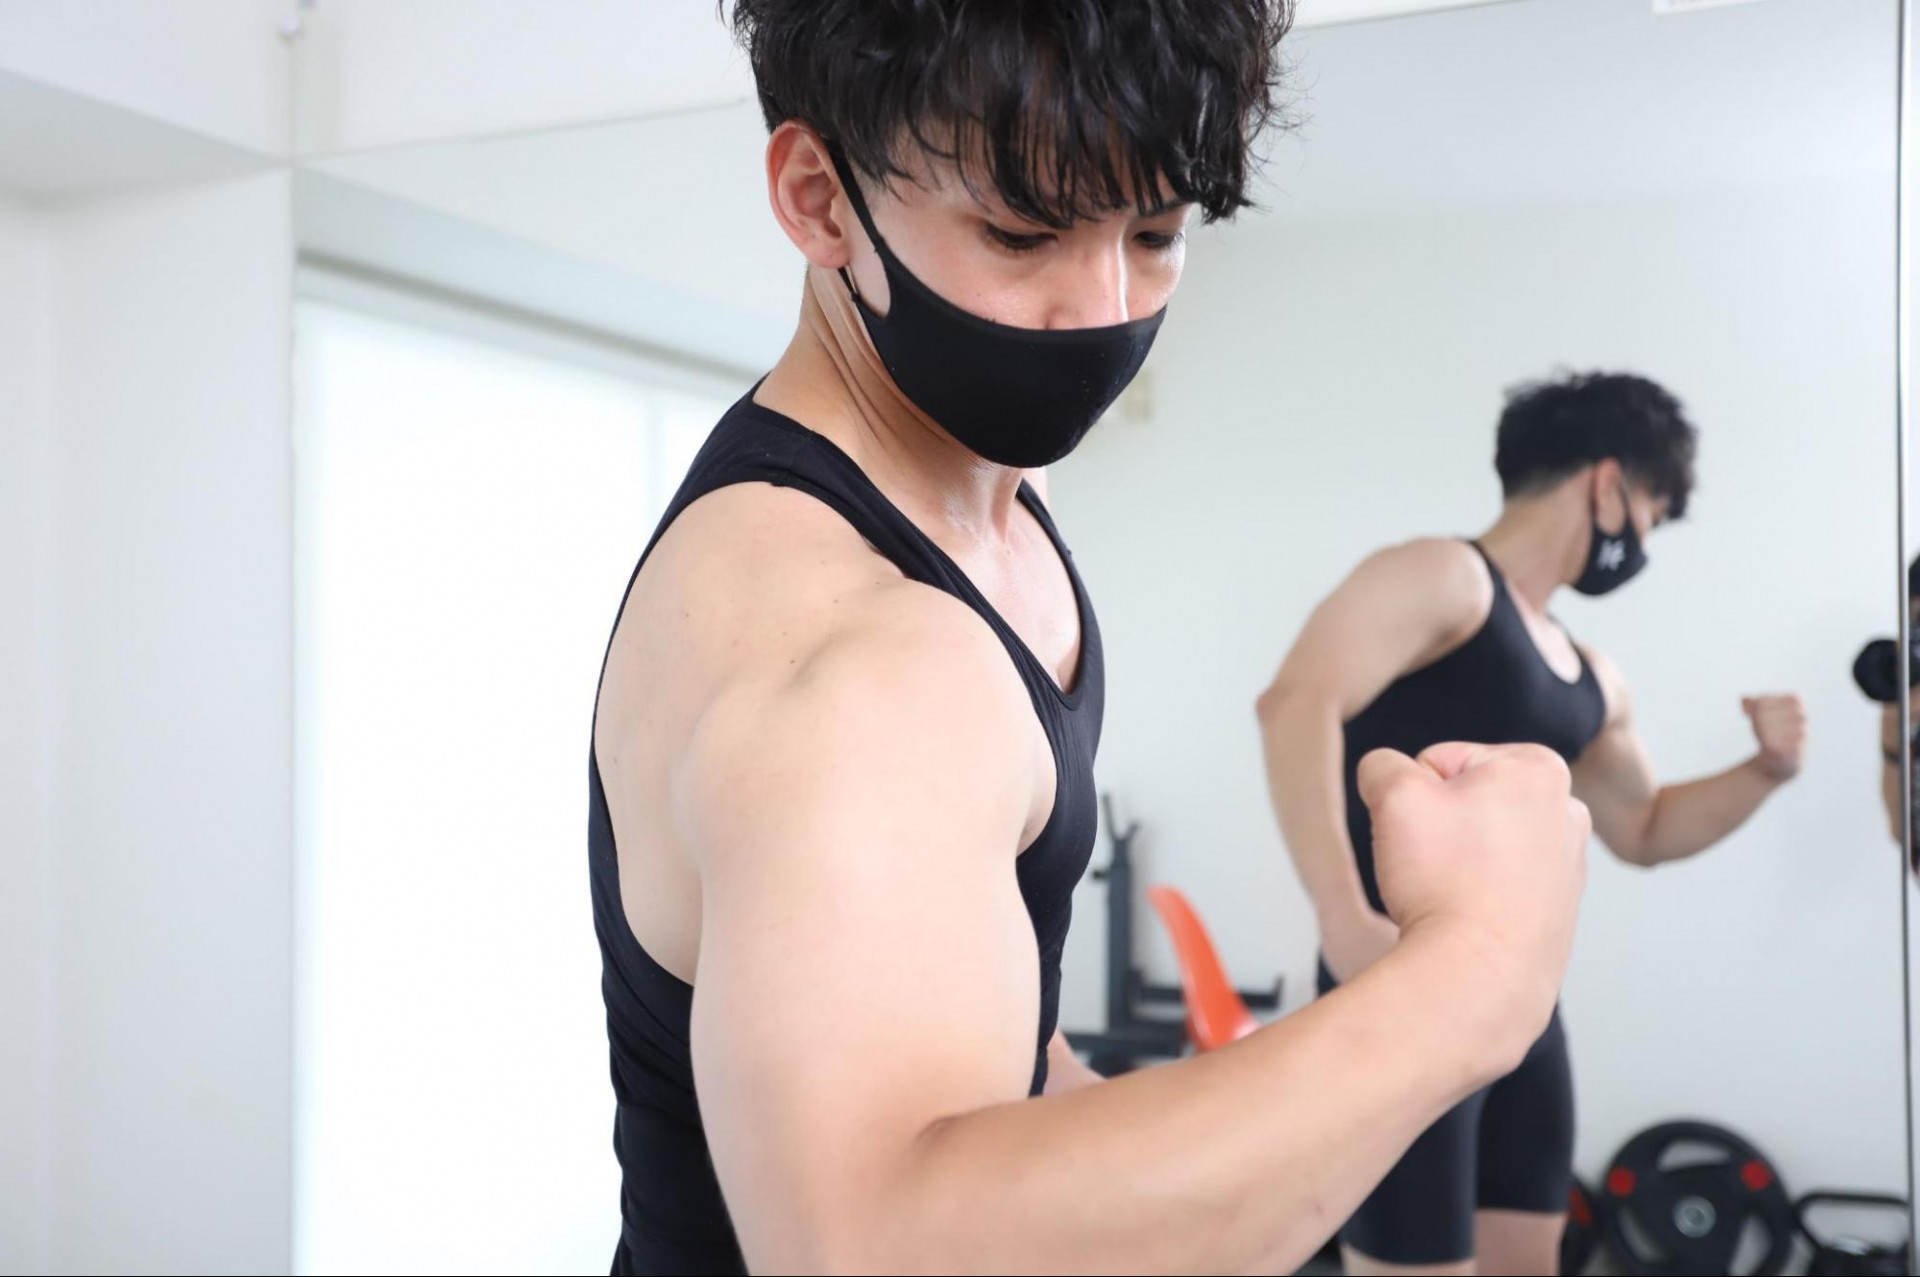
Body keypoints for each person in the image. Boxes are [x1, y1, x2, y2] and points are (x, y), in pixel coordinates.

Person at [587, 4, 1590, 1272]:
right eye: (1022, 232)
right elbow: (880, 1245)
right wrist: (1476, 974)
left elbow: (1003, 1046)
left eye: (1156, 234)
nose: (1103, 309)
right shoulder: (862, 652)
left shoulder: (988, 495)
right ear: (819, 199)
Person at [1256, 371, 1808, 1276]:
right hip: (1399, 992)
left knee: (1529, 1259)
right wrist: (1344, 919)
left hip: (1524, 1011)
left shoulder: (1591, 673)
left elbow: (1646, 828)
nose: (1643, 542)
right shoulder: (1444, 575)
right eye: (1652, 514)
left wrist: (1765, 771)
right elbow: (1294, 702)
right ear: (1609, 484)